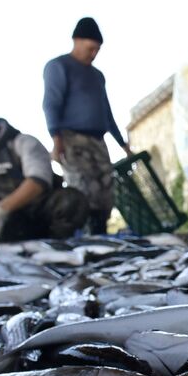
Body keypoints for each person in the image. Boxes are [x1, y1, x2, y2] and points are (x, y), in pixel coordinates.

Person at [0, 98, 87, 241]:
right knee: (4, 225)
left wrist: (1, 209)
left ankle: (61, 247)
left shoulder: (23, 143)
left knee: (70, 199)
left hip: (41, 212)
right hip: (13, 223)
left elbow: (38, 182)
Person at [42, 16, 132, 233]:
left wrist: (122, 144)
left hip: (98, 141)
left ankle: (100, 233)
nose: (93, 54)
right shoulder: (59, 66)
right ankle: (80, 237)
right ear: (77, 40)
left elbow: (106, 111)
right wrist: (57, 140)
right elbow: (51, 104)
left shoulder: (97, 76)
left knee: (104, 191)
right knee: (82, 191)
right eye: (90, 48)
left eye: (97, 50)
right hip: (72, 139)